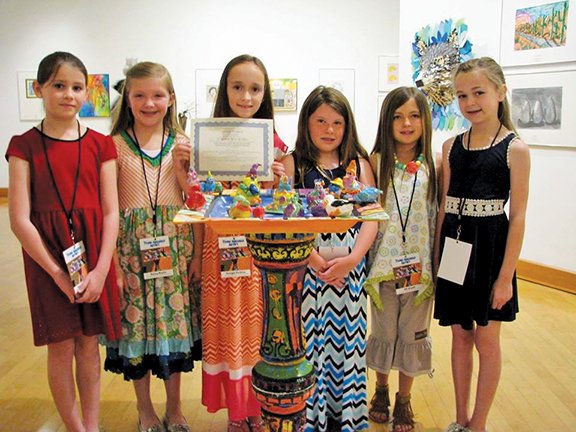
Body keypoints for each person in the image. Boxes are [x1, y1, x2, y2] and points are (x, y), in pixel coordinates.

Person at [6, 51, 121, 432]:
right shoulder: (23, 145)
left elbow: (110, 213)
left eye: (76, 87)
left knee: (89, 345)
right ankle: (75, 428)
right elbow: (20, 220)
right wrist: (57, 274)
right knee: (61, 346)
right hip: (47, 259)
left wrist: (102, 270)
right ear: (39, 89)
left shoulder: (102, 145)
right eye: (58, 86)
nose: (68, 95)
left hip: (92, 257)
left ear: (86, 92)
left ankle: (92, 425)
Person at [172, 54, 286, 432]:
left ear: (265, 93)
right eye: (237, 87)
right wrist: (181, 166)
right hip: (217, 250)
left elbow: (281, 207)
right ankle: (237, 414)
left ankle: (258, 408)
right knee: (226, 331)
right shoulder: (205, 140)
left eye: (255, 88)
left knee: (258, 331)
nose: (246, 96)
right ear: (224, 90)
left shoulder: (275, 142)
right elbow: (196, 200)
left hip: (258, 253)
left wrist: (281, 179)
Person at [103, 61, 202, 432]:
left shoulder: (183, 144)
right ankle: (144, 408)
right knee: (137, 332)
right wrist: (110, 261)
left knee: (173, 329)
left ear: (171, 98)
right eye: (140, 95)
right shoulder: (111, 146)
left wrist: (196, 251)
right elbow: (106, 209)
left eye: (157, 95)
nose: (149, 103)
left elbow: (196, 203)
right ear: (128, 99)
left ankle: (174, 408)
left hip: (175, 250)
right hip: (131, 252)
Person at [434, 57, 530, 432]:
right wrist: (437, 257)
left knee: (487, 341)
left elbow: (518, 215)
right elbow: (445, 205)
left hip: (490, 250)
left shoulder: (514, 148)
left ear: (500, 92)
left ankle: (479, 424)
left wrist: (505, 278)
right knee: (460, 335)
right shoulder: (451, 146)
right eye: (462, 95)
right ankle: (460, 418)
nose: (470, 101)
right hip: (455, 247)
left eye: (479, 92)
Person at [280, 86, 378, 432]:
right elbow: (283, 218)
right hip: (308, 267)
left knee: (348, 345)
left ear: (347, 125)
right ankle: (312, 418)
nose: (329, 129)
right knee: (309, 342)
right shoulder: (293, 164)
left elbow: (372, 218)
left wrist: (353, 259)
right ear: (306, 122)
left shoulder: (359, 164)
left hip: (350, 267)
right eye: (320, 120)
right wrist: (314, 259)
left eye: (337, 122)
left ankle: (346, 418)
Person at [364, 87, 439, 432]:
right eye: (397, 116)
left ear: (425, 120)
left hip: (420, 270)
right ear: (386, 121)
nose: (406, 123)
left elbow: (438, 217)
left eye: (413, 115)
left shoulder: (436, 164)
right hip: (383, 269)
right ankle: (380, 389)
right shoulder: (375, 162)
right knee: (383, 330)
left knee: (412, 334)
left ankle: (404, 399)